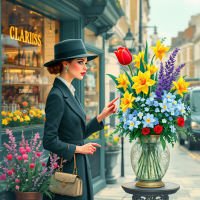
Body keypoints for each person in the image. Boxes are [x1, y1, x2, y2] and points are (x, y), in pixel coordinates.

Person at [42, 39, 119, 200]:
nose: (85, 67)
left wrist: (101, 116)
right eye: (80, 62)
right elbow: (48, 141)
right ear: (65, 64)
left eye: (85, 62)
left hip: (77, 166)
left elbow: (78, 134)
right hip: (66, 171)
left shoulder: (70, 91)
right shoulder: (57, 95)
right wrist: (79, 149)